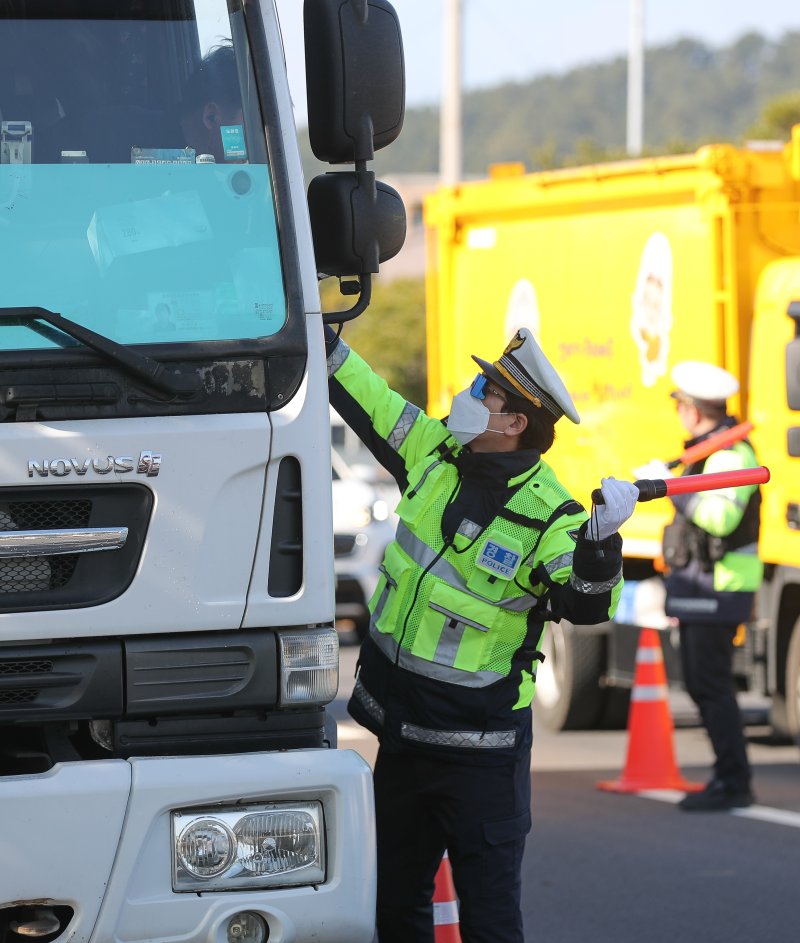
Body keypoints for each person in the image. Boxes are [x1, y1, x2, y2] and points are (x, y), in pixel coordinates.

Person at [326, 325, 638, 942]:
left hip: (480, 758)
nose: (469, 394)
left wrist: (600, 546)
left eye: (485, 391)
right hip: (402, 740)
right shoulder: (436, 451)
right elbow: (368, 397)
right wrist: (322, 338)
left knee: (490, 923)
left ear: (515, 422)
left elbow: (587, 606)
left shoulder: (552, 517)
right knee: (393, 908)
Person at [637, 360, 763, 812]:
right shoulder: (708, 452)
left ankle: (734, 782)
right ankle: (729, 777)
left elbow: (719, 518)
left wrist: (671, 486)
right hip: (700, 586)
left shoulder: (733, 455)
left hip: (720, 589)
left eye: (680, 407)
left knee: (710, 686)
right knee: (702, 684)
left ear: (692, 411)